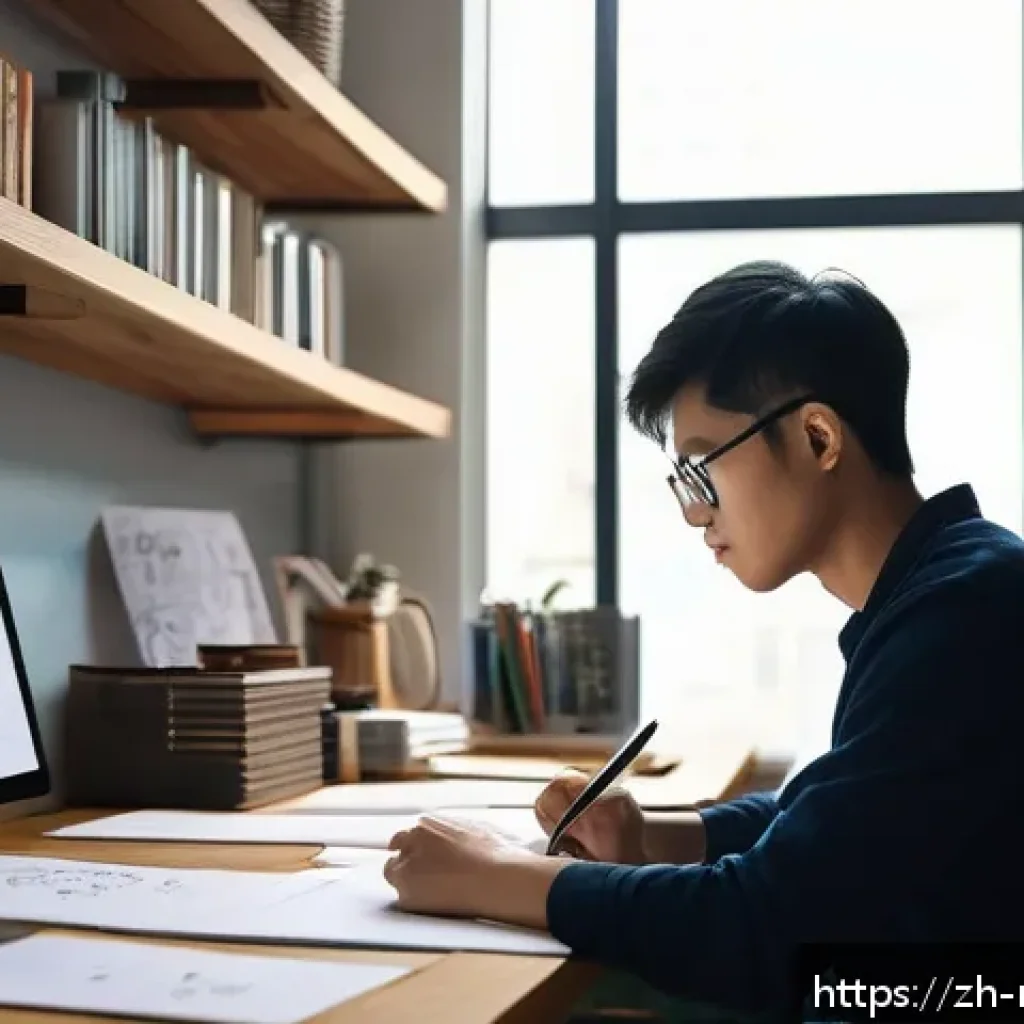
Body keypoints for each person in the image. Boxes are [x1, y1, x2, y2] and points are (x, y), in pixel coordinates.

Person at [382, 261, 1024, 1016]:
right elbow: (825, 817)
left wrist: (491, 875)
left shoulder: (966, 613)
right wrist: (646, 835)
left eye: (701, 468)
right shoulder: (947, 586)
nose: (694, 512)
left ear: (818, 437)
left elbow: (770, 925)